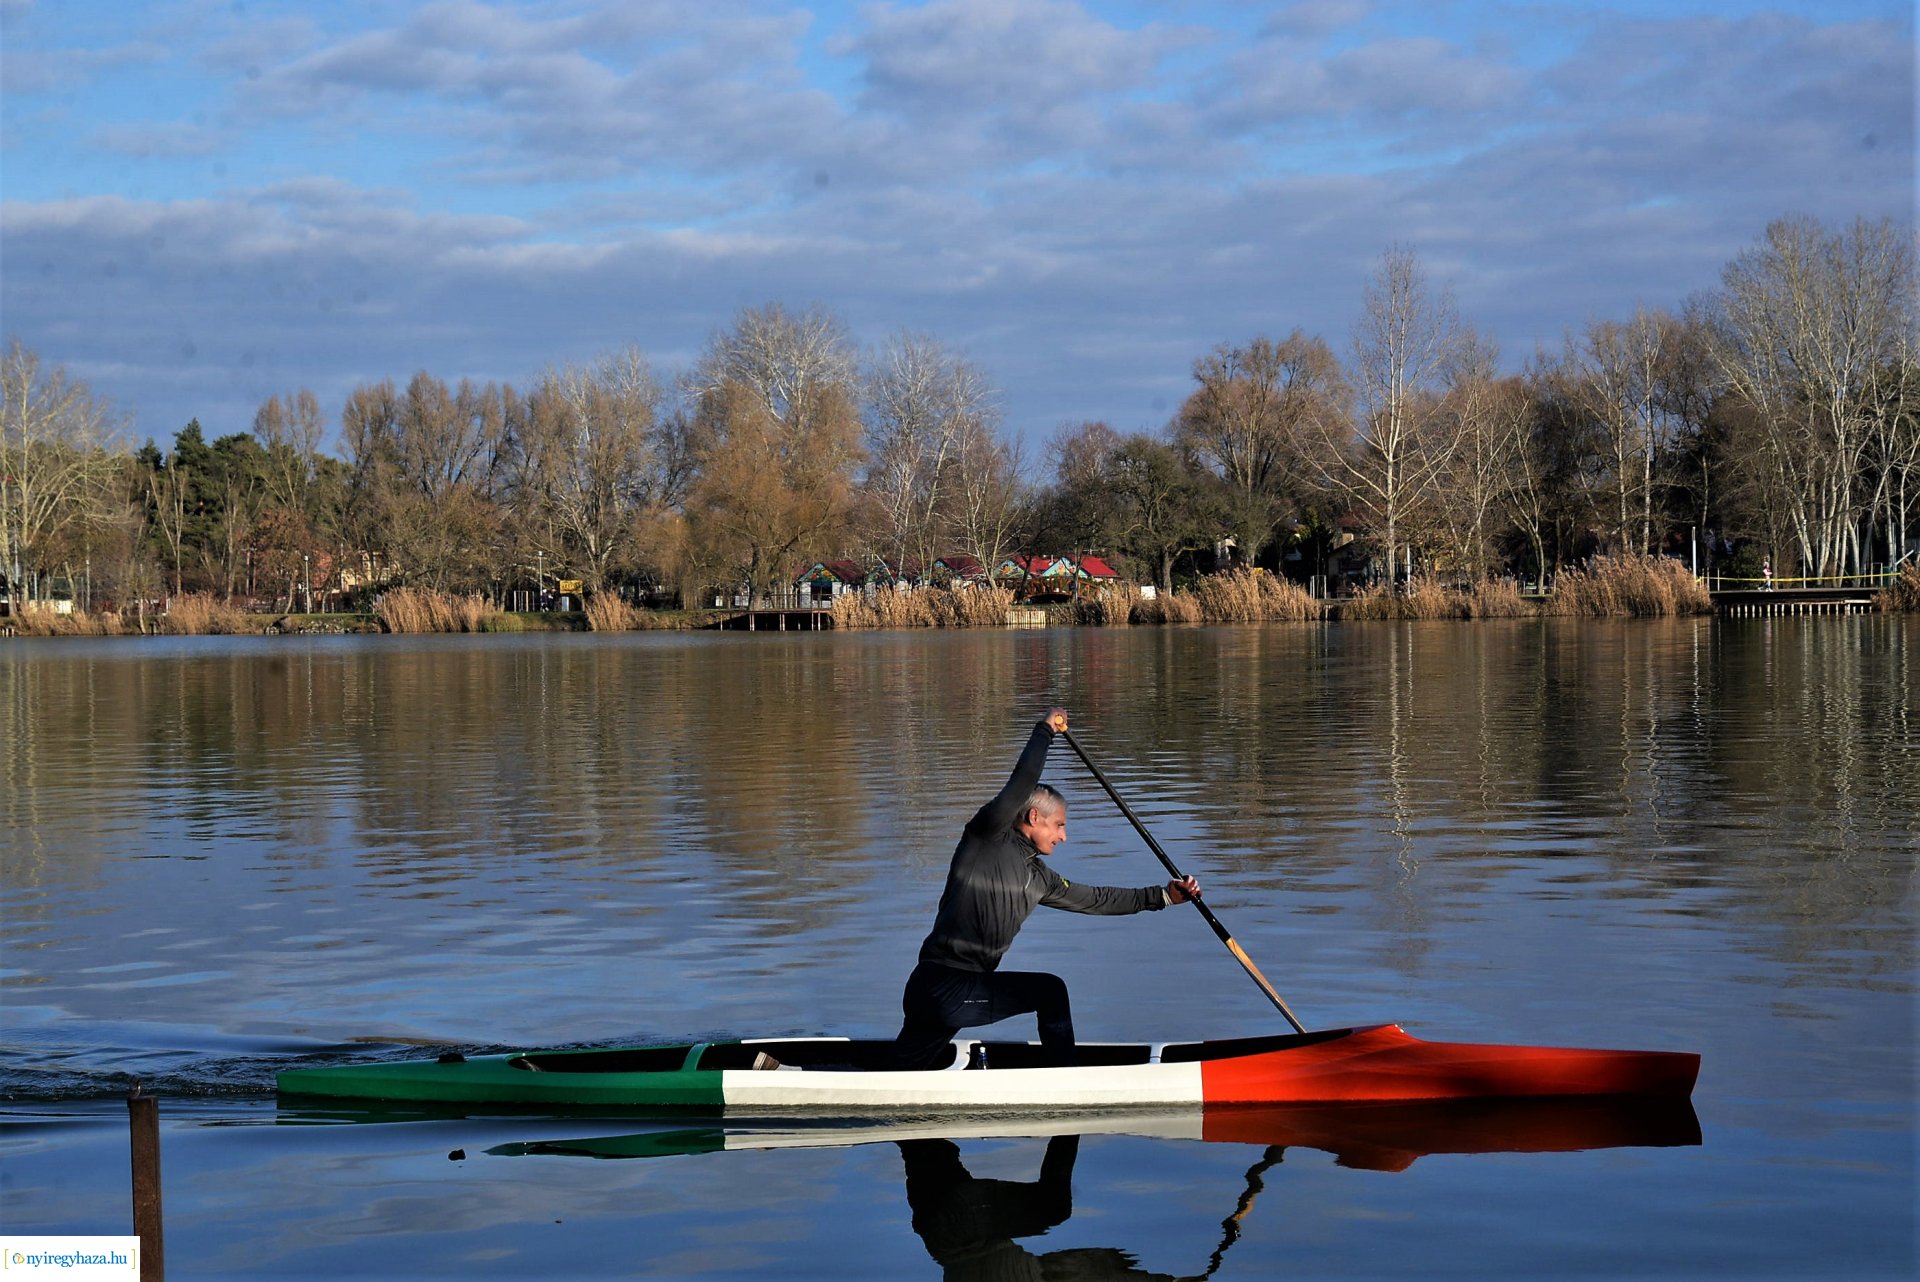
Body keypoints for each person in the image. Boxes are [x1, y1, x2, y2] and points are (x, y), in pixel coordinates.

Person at [890, 707, 1200, 1069]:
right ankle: (1067, 1081)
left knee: (900, 1072)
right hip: (944, 987)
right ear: (1034, 817)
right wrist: (1045, 731)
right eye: (1059, 825)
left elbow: (1097, 899)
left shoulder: (1040, 879)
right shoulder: (986, 837)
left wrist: (1163, 896)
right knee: (1050, 992)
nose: (1064, 836)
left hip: (949, 993)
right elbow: (1021, 784)